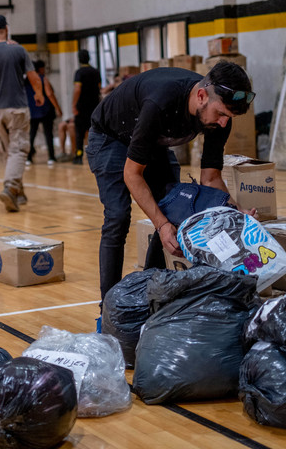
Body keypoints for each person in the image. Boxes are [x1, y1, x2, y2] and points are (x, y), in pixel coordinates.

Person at [86, 61, 258, 320]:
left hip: (151, 142)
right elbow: (132, 175)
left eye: (229, 118)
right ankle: (110, 312)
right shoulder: (161, 102)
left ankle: (147, 295)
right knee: (118, 217)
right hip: (111, 137)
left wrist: (235, 213)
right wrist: (161, 224)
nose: (224, 123)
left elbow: (210, 178)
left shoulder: (220, 116)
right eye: (221, 114)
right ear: (201, 96)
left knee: (175, 210)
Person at [0, 14, 44, 212]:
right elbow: (33, 77)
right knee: (18, 149)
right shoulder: (18, 50)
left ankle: (19, 193)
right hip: (16, 107)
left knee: (9, 150)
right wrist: (39, 94)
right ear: (6, 29)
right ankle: (11, 187)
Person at [26, 59, 62, 166]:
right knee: (48, 134)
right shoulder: (42, 79)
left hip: (32, 111)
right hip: (45, 110)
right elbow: (50, 94)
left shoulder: (26, 80)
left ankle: (28, 158)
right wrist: (58, 108)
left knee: (31, 134)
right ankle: (51, 157)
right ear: (40, 68)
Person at [71, 49, 101, 165]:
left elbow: (77, 89)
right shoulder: (96, 72)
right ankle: (96, 155)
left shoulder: (79, 72)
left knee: (80, 133)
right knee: (95, 131)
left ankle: (79, 155)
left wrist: (74, 105)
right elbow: (99, 87)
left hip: (82, 107)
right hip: (94, 106)